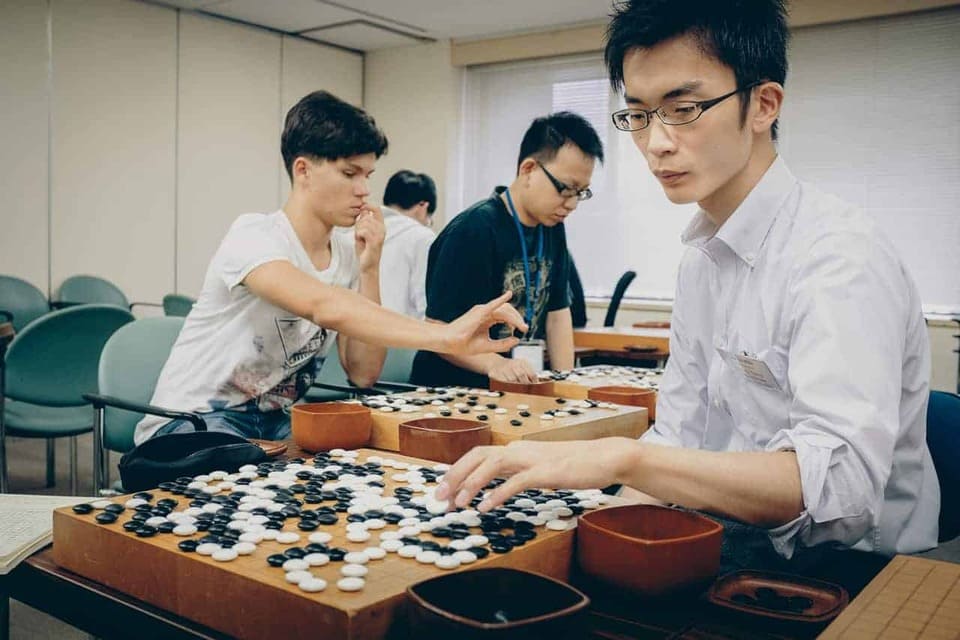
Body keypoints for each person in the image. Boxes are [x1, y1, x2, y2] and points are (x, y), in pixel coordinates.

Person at [436, 0, 939, 574]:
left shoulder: (838, 257)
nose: (656, 143)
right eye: (639, 115)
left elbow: (840, 494)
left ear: (763, 105)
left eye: (684, 108)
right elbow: (679, 430)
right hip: (732, 532)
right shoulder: (703, 259)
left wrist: (621, 459)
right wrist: (588, 532)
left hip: (857, 567)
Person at [134, 91, 526, 445]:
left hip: (274, 424)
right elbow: (323, 305)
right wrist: (444, 337)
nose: (364, 190)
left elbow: (362, 374)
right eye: (349, 173)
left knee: (366, 463)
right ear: (303, 171)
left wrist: (369, 269)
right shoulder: (253, 235)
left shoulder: (345, 249)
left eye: (368, 175)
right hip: (192, 422)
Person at [410, 112, 604, 388]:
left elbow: (558, 315)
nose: (572, 204)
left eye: (581, 192)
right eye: (566, 189)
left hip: (513, 389)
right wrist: (495, 364)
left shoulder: (552, 228)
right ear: (528, 170)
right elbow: (437, 330)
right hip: (451, 392)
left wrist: (566, 385)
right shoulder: (473, 230)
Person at [376, 169, 437, 318]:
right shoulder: (422, 237)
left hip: (358, 333)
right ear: (423, 206)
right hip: (404, 336)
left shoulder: (360, 230)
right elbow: (426, 302)